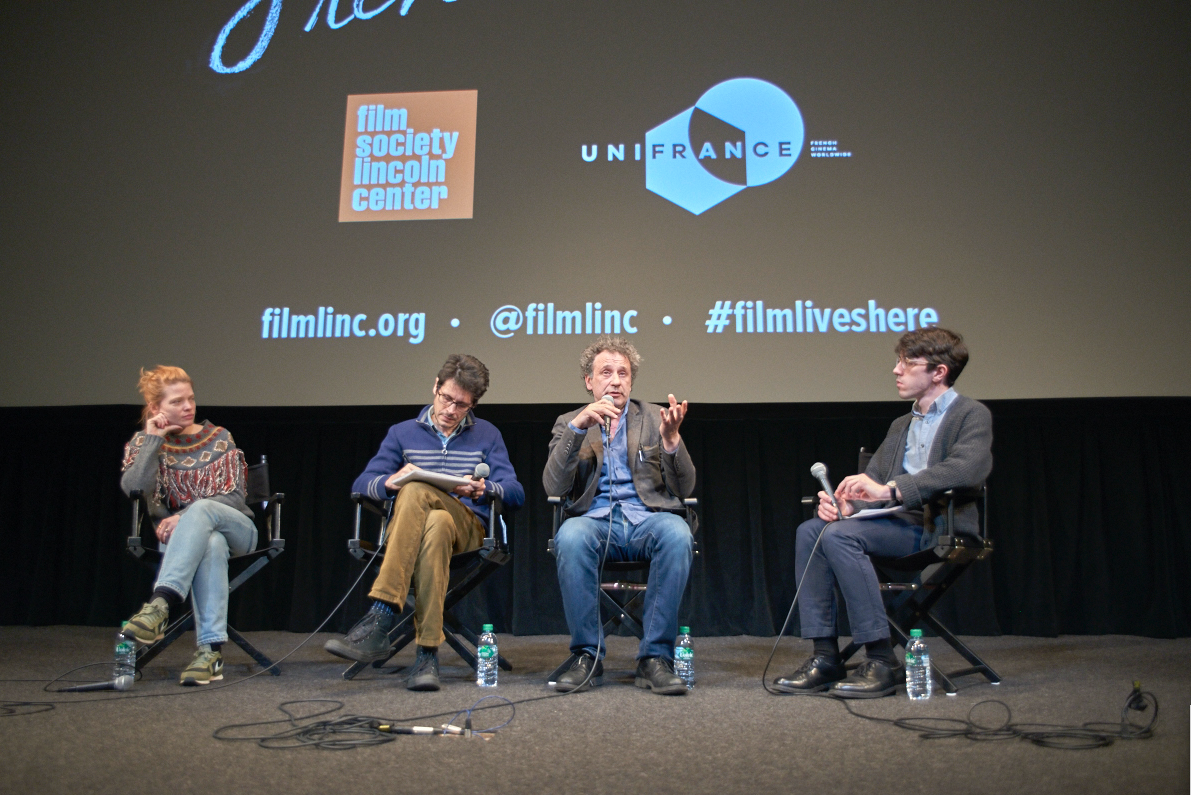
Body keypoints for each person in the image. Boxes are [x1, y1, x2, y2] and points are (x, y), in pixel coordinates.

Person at [774, 327, 992, 698]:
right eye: (898, 362)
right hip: (891, 523)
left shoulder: (970, 414)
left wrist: (892, 490)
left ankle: (881, 658)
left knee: (840, 536)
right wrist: (846, 503)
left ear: (938, 372)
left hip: (937, 527)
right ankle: (825, 656)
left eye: (907, 363)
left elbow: (965, 470)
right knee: (811, 530)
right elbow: (872, 482)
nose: (896, 370)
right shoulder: (901, 425)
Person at [323, 354, 524, 691]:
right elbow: (362, 485)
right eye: (447, 398)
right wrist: (390, 481)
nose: (451, 409)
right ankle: (427, 656)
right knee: (436, 524)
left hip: (469, 529)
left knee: (417, 490)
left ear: (473, 404)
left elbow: (515, 493)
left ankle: (381, 614)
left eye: (463, 405)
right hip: (420, 532)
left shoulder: (487, 434)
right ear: (435, 387)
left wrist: (482, 488)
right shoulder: (402, 433)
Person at [544, 336, 696, 695]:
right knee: (570, 536)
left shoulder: (654, 418)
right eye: (606, 372)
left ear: (632, 380)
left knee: (677, 534)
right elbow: (552, 483)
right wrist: (579, 428)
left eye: (623, 373)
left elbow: (685, 487)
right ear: (589, 381)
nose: (616, 380)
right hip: (594, 521)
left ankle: (655, 658)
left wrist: (672, 440)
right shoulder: (569, 422)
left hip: (648, 520)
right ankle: (588, 656)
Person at [120, 366, 256, 686]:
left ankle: (161, 604)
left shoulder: (219, 437)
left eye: (191, 399)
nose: (188, 406)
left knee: (204, 510)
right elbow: (135, 490)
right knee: (210, 544)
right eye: (177, 401)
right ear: (156, 409)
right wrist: (153, 441)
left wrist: (184, 514)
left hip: (237, 529)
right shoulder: (147, 442)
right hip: (186, 542)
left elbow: (236, 497)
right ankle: (210, 653)